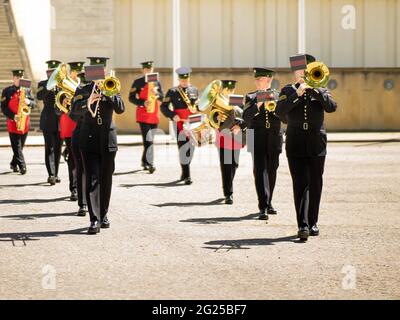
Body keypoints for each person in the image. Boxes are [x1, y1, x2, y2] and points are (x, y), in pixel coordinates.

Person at [275, 54, 337, 241]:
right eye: (298, 70)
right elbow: (279, 111)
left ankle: (313, 222)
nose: (301, 73)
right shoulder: (287, 89)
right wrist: (297, 94)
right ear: (294, 72)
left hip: (316, 140)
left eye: (304, 69)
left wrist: (316, 91)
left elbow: (332, 107)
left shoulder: (321, 88)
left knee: (315, 183)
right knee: (300, 183)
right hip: (295, 140)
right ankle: (302, 225)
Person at [69, 57, 125, 234]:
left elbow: (121, 108)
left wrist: (108, 94)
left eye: (102, 72)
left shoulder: (112, 86)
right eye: (95, 73)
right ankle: (94, 220)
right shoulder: (83, 89)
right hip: (89, 139)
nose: (99, 76)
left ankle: (103, 214)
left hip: (108, 140)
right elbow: (73, 113)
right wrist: (88, 101)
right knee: (92, 178)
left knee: (106, 179)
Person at [243, 68, 282, 220]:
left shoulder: (278, 95)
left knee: (272, 170)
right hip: (255, 136)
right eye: (256, 79)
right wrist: (257, 105)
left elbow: (284, 116)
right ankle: (263, 206)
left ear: (269, 80)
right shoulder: (250, 97)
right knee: (259, 171)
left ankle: (269, 201)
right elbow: (246, 117)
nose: (258, 82)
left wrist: (276, 105)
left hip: (274, 136)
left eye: (261, 79)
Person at [160, 67, 199, 184]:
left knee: (191, 149)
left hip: (193, 122)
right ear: (178, 79)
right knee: (183, 148)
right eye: (182, 81)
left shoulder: (194, 89)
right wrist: (172, 115)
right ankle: (187, 176)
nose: (184, 82)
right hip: (180, 123)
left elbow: (197, 106)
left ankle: (184, 170)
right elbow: (163, 106)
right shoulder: (172, 91)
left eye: (186, 80)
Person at [214, 80, 246, 204]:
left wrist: (240, 124)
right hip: (224, 136)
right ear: (223, 90)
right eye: (227, 89)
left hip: (236, 137)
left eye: (231, 90)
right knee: (226, 165)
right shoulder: (217, 101)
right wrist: (217, 117)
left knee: (234, 164)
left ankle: (228, 184)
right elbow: (213, 118)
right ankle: (229, 193)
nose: (229, 92)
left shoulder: (238, 100)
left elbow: (245, 117)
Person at [129, 61, 164, 173]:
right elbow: (131, 97)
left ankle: (144, 160)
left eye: (150, 69)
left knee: (150, 140)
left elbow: (162, 98)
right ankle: (150, 163)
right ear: (143, 70)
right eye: (146, 69)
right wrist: (142, 102)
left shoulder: (157, 82)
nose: (148, 71)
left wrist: (156, 93)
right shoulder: (138, 82)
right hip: (143, 115)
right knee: (148, 140)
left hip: (154, 114)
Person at [1, 69, 36, 175]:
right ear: (13, 78)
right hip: (12, 122)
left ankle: (13, 163)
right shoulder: (7, 91)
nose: (18, 80)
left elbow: (34, 104)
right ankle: (22, 166)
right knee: (16, 145)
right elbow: (3, 107)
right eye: (17, 78)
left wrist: (28, 101)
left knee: (20, 146)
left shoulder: (27, 90)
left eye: (20, 78)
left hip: (24, 122)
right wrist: (13, 116)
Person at [59, 61, 85, 201]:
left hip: (84, 124)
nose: (75, 74)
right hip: (69, 125)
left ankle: (83, 188)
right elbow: (57, 109)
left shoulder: (85, 86)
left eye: (77, 71)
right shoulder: (63, 87)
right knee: (73, 159)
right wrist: (63, 104)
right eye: (73, 71)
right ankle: (74, 189)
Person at [37, 60, 62, 185]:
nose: (51, 74)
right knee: (49, 148)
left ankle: (56, 173)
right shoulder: (42, 84)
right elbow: (39, 96)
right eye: (49, 72)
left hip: (60, 120)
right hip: (48, 119)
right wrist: (49, 86)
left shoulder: (62, 84)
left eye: (53, 72)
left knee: (58, 148)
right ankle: (51, 174)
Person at [70, 67, 88, 216]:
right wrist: (88, 103)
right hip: (81, 134)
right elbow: (73, 115)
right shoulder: (80, 91)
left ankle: (98, 205)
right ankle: (82, 204)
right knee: (81, 170)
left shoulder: (108, 88)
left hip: (99, 136)